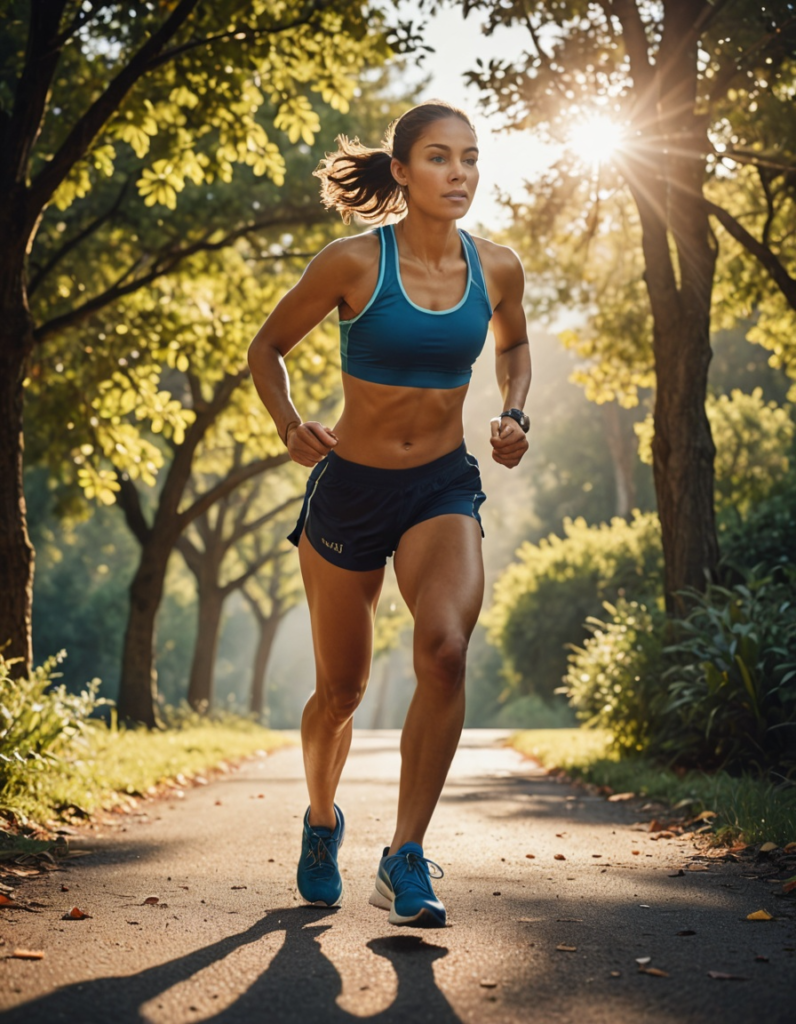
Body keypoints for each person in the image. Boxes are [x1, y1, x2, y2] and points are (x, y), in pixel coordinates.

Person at [247, 100, 531, 928]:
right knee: (341, 689)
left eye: (470, 158)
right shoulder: (351, 264)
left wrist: (516, 412)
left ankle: (405, 854)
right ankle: (322, 820)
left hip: (441, 487)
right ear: (401, 173)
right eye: (439, 159)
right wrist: (289, 424)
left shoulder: (499, 267)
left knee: (444, 651)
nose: (459, 174)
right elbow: (267, 348)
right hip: (350, 490)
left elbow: (513, 346)